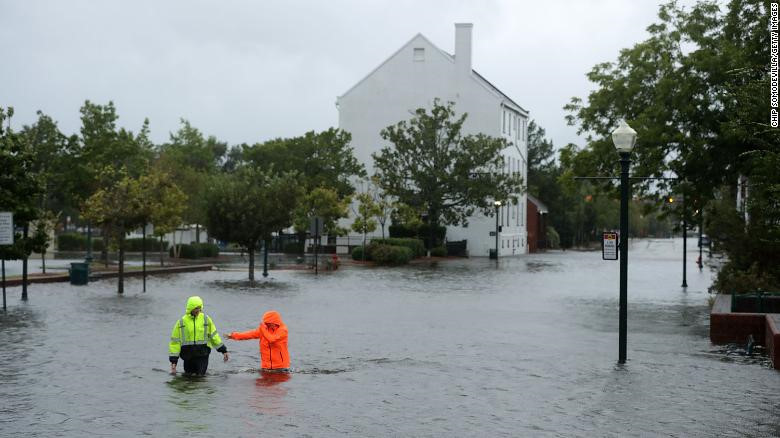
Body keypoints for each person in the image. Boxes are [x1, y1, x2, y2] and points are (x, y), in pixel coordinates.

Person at [168, 296, 229, 375]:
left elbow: (214, 336)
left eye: (200, 308)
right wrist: (174, 361)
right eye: (196, 308)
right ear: (190, 308)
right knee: (188, 378)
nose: (198, 310)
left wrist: (223, 350)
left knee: (200, 377)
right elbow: (175, 343)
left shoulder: (206, 319)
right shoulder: (181, 322)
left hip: (202, 355)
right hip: (188, 356)